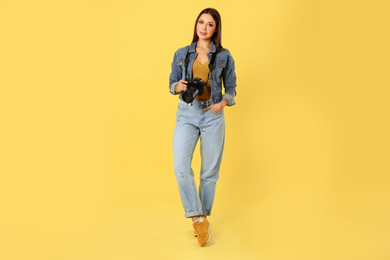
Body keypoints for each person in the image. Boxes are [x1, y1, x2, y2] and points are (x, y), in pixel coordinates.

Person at [169, 8, 237, 247]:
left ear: (216, 29)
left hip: (212, 115)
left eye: (210, 24)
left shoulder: (224, 56)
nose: (204, 27)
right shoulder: (181, 53)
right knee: (180, 165)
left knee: (209, 171)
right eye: (201, 22)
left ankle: (203, 219)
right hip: (187, 114)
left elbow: (231, 88)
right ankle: (197, 217)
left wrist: (223, 103)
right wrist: (179, 87)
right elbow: (171, 84)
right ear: (196, 24)